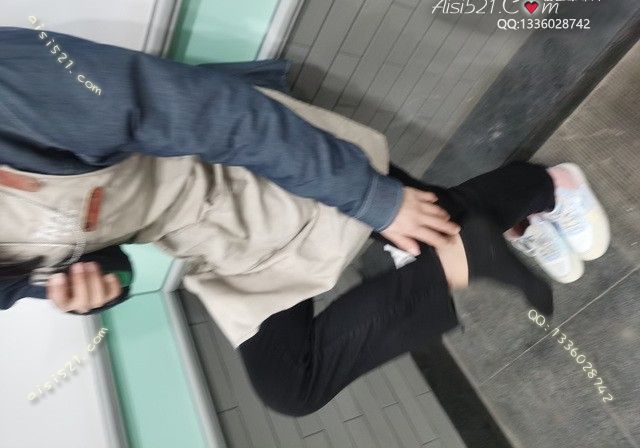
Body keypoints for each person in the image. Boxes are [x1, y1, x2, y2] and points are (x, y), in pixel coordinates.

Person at [0, 26, 609, 417]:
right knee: (291, 384)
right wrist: (102, 285)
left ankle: (545, 190)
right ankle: (490, 231)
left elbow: (211, 115)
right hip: (209, 239)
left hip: (249, 162)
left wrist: (372, 200)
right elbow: (103, 259)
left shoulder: (14, 89)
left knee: (420, 221)